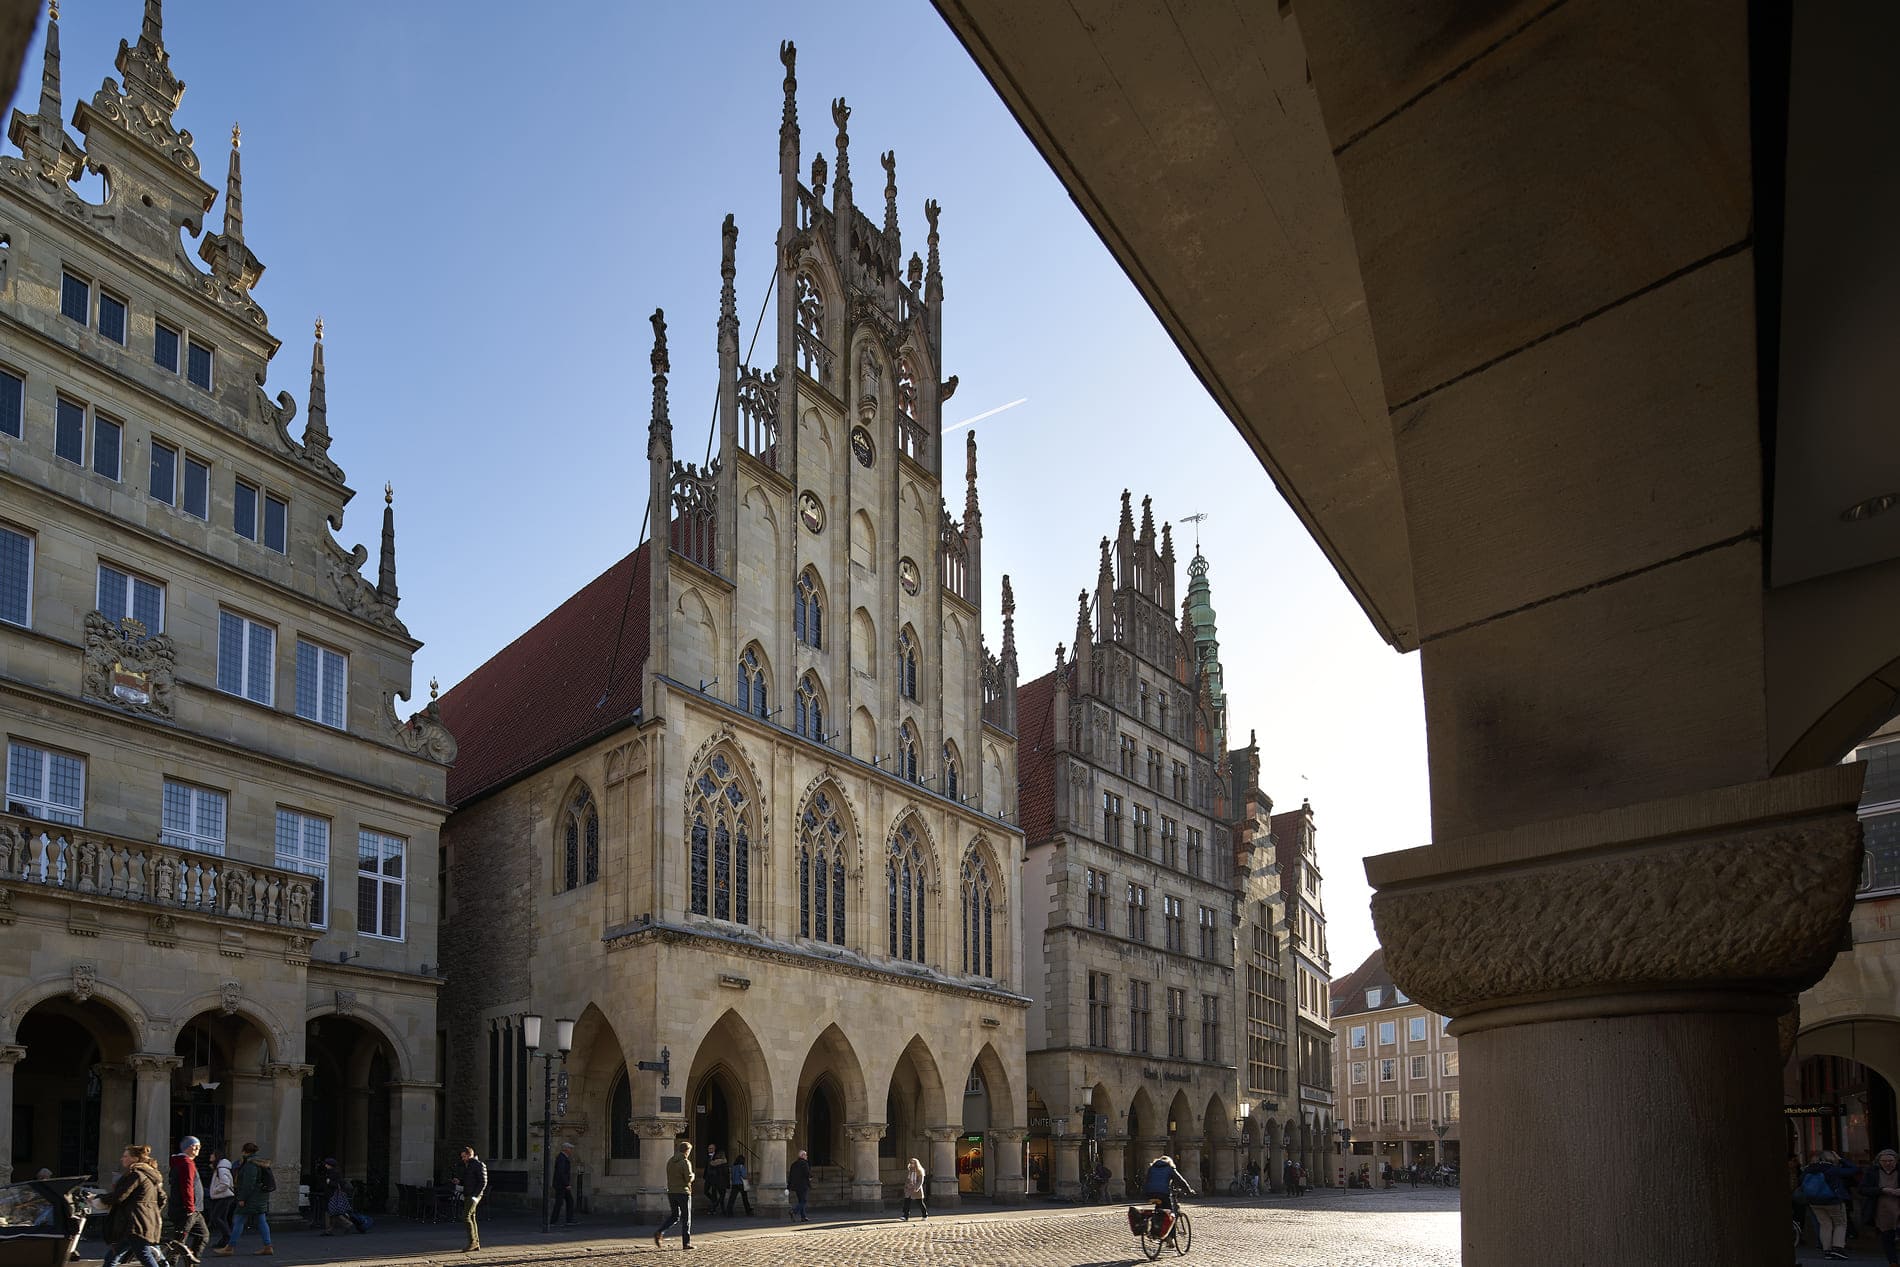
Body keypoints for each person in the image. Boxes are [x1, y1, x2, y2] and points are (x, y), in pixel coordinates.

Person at [100, 1145, 166, 1267]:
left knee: (144, 1255)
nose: (122, 1159)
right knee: (112, 1256)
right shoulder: (151, 1176)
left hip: (136, 1224)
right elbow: (162, 1198)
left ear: (135, 1159)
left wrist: (99, 1199)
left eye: (125, 1156)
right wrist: (151, 1212)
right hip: (140, 1223)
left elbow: (119, 1196)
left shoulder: (136, 1175)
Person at [1801, 1149, 1861, 1259]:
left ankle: (1827, 1250)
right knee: (1840, 1223)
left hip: (1814, 1202)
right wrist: (1841, 1159)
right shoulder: (1832, 1169)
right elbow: (1854, 1169)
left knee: (1824, 1225)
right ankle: (1837, 1248)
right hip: (1833, 1200)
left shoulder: (1808, 1169)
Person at [219, 1142, 274, 1256]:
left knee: (238, 1220)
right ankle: (267, 1246)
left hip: (250, 1198)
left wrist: (242, 1198)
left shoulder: (250, 1164)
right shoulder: (259, 1163)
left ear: (244, 1151)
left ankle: (230, 1247)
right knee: (261, 1221)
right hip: (259, 1197)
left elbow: (249, 1183)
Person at [168, 1135, 211, 1262]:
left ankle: (191, 1261)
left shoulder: (185, 1162)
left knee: (203, 1235)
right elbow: (187, 1185)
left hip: (193, 1209)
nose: (198, 1148)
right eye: (195, 1146)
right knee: (179, 1241)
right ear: (189, 1147)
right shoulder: (186, 1163)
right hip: (188, 1210)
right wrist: (190, 1207)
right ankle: (171, 1263)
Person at [654, 1139, 694, 1250]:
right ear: (687, 1151)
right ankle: (686, 1243)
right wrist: (693, 1175)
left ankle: (660, 1231)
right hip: (683, 1192)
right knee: (686, 1219)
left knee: (675, 1216)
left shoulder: (670, 1161)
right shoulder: (685, 1162)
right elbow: (688, 1178)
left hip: (671, 1192)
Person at [1869, 1148, 1900, 1267]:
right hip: (1882, 1209)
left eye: (1891, 1161)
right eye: (1884, 1161)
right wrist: (1881, 1190)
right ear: (1879, 1161)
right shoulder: (1873, 1172)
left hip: (1898, 1206)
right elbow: (1863, 1189)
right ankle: (1893, 1262)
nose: (1888, 1163)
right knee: (1887, 1237)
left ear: (1896, 1160)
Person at [458, 1146, 487, 1253]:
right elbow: (468, 1181)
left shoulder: (479, 1165)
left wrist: (475, 1196)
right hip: (468, 1193)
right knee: (472, 1217)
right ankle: (476, 1243)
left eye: (464, 1156)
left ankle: (472, 1242)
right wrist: (459, 1182)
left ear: (470, 1155)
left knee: (466, 1216)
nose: (463, 1159)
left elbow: (483, 1182)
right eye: (462, 1157)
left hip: (473, 1195)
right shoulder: (469, 1165)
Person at [206, 1148, 236, 1251]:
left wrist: (215, 1191)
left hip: (224, 1196)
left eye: (213, 1154)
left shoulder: (221, 1169)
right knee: (221, 1218)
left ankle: (228, 1237)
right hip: (224, 1196)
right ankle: (225, 1240)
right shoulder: (220, 1168)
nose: (210, 1155)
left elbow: (225, 1183)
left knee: (216, 1217)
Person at [551, 1142, 577, 1225]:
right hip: (561, 1185)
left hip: (561, 1184)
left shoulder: (563, 1157)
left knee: (569, 1201)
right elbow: (561, 1172)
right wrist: (566, 1184)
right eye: (570, 1148)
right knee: (560, 1202)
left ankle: (568, 1220)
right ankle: (553, 1221)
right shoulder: (562, 1158)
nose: (571, 1150)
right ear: (565, 1149)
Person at [703, 1143, 728, 1216]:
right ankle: (715, 1202)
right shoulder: (708, 1156)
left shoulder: (717, 1157)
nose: (709, 1150)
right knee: (706, 1191)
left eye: (711, 1148)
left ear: (714, 1149)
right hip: (708, 1177)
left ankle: (718, 1208)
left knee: (717, 1193)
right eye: (709, 1148)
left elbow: (719, 1167)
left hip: (715, 1178)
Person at [787, 1149, 811, 1223]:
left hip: (796, 1186)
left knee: (801, 1200)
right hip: (803, 1185)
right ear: (802, 1156)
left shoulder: (793, 1164)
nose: (807, 1156)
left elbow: (790, 1176)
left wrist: (789, 1185)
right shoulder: (804, 1163)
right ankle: (794, 1211)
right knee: (804, 1200)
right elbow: (807, 1173)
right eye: (806, 1155)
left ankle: (803, 1217)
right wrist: (810, 1177)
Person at [901, 1157, 927, 1221]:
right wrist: (906, 1186)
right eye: (911, 1163)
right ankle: (905, 1216)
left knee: (920, 1203)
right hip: (909, 1189)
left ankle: (925, 1215)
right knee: (907, 1202)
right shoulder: (910, 1171)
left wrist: (916, 1188)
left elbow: (920, 1181)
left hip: (916, 1190)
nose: (911, 1164)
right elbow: (907, 1180)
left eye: (913, 1163)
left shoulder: (920, 1171)